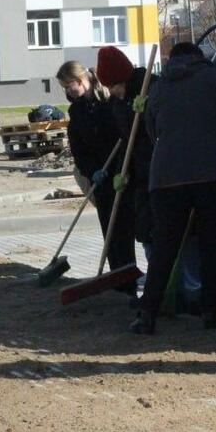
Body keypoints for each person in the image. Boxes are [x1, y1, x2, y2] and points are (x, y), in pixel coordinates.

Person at [132, 42, 216, 334]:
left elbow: (151, 130)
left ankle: (147, 314)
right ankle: (210, 312)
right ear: (199, 57)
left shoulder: (160, 86)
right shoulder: (214, 76)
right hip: (212, 172)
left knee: (164, 247)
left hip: (166, 176)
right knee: (212, 245)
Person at [56, 60, 136, 281]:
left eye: (67, 85)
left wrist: (122, 169)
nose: (67, 91)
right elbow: (79, 151)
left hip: (122, 175)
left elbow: (125, 137)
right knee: (110, 233)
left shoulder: (109, 103)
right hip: (100, 180)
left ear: (80, 81)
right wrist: (92, 172)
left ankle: (128, 273)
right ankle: (118, 278)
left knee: (125, 230)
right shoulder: (77, 112)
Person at [95, 46, 157, 263]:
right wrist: (122, 171)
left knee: (162, 228)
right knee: (145, 227)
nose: (112, 91)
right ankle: (156, 276)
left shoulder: (151, 87)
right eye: (109, 87)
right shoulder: (117, 104)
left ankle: (177, 284)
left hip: (159, 170)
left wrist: (147, 109)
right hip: (139, 173)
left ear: (125, 78)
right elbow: (124, 140)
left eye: (115, 85)